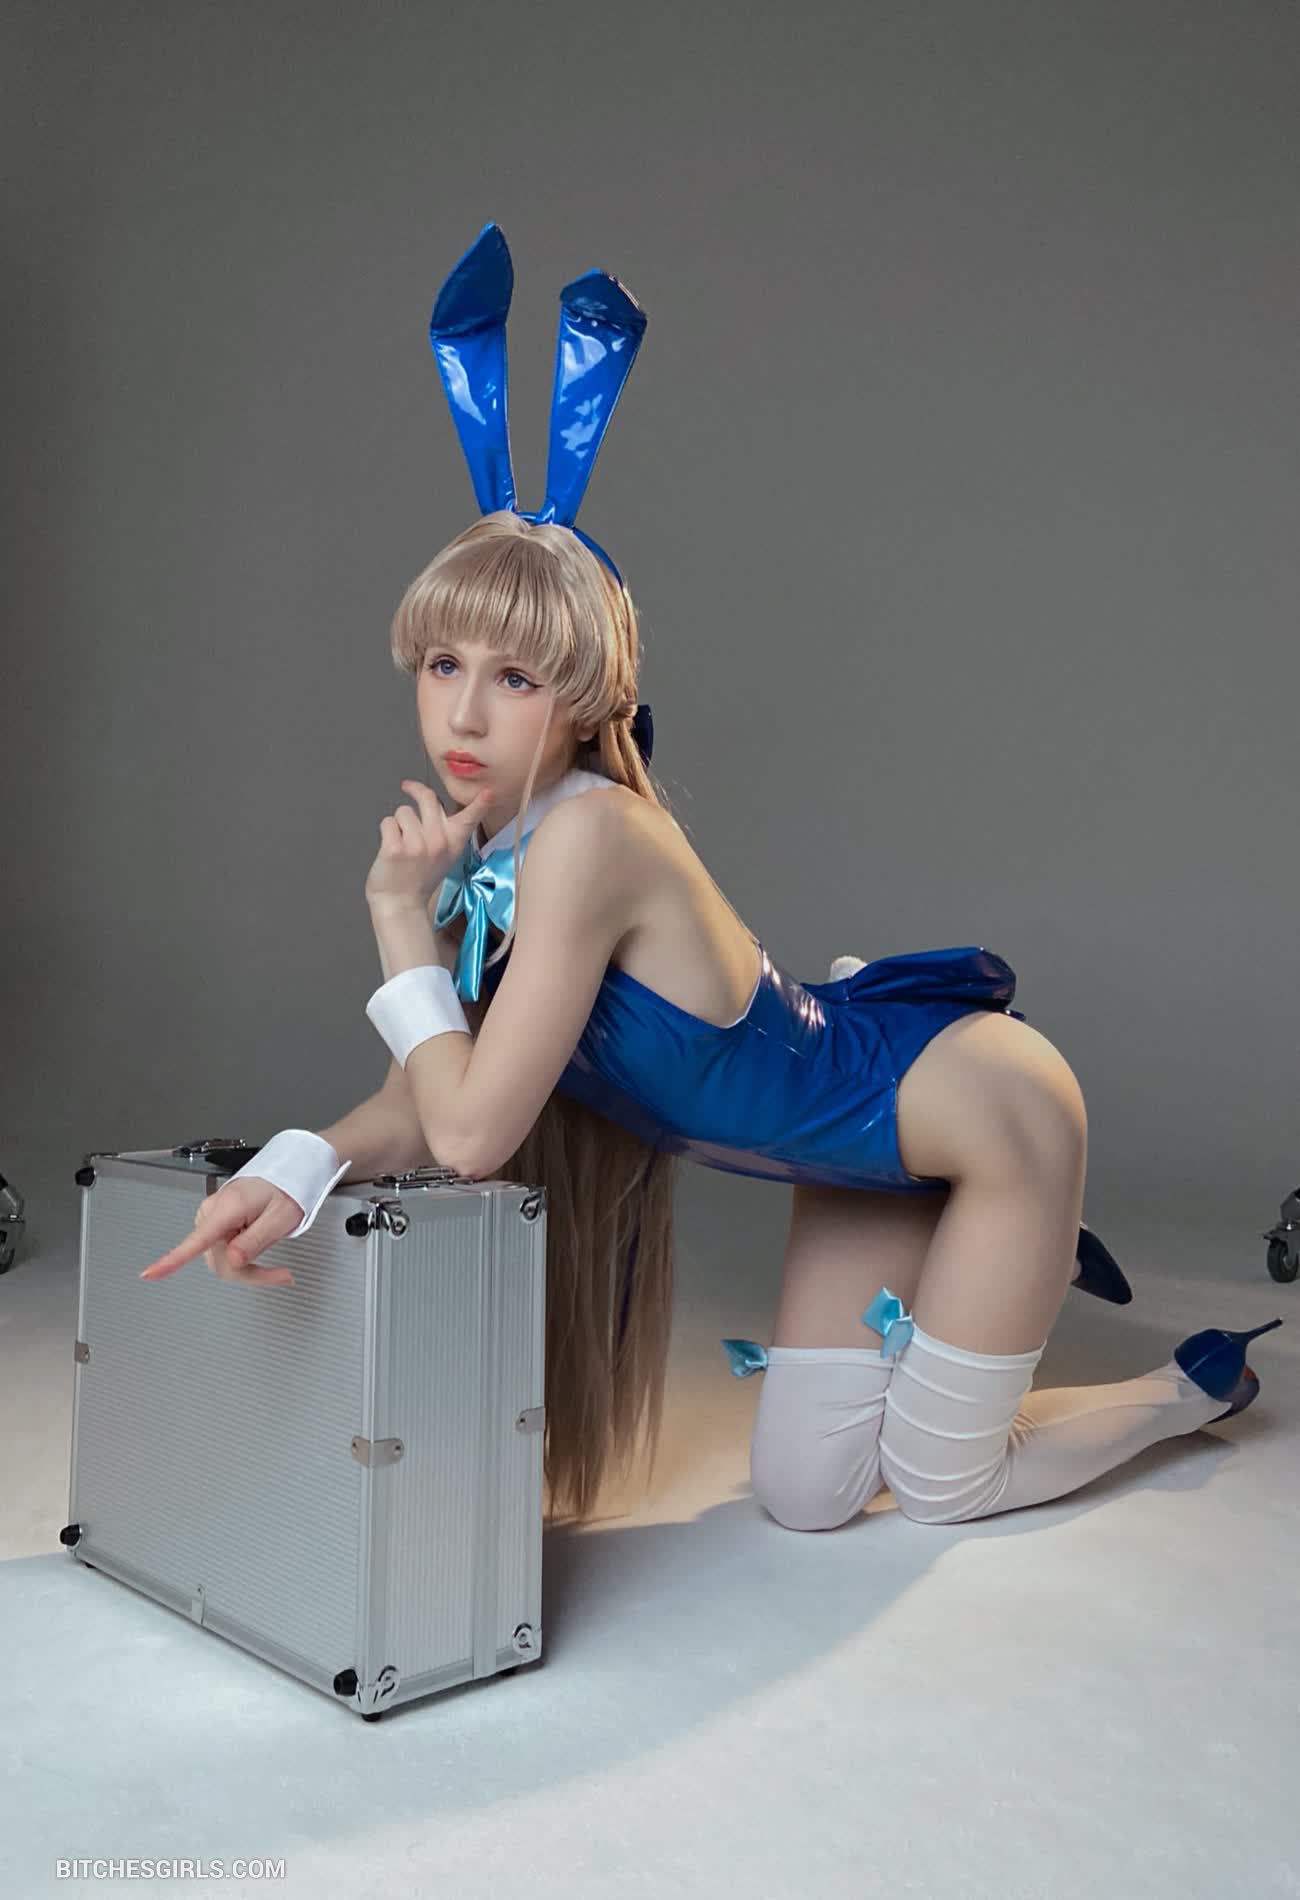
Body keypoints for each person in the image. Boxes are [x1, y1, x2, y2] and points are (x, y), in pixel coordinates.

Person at [137, 223, 1283, 1531]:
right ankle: (972, 1308)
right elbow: (433, 1086)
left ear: (582, 697)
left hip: (989, 1110)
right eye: (442, 665)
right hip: (864, 1155)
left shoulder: (593, 839)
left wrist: (398, 918)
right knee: (806, 1499)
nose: (464, 712)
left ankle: (1189, 1387)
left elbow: (468, 1136)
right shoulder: (498, 860)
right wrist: (296, 1168)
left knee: (942, 1486)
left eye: (515, 675)